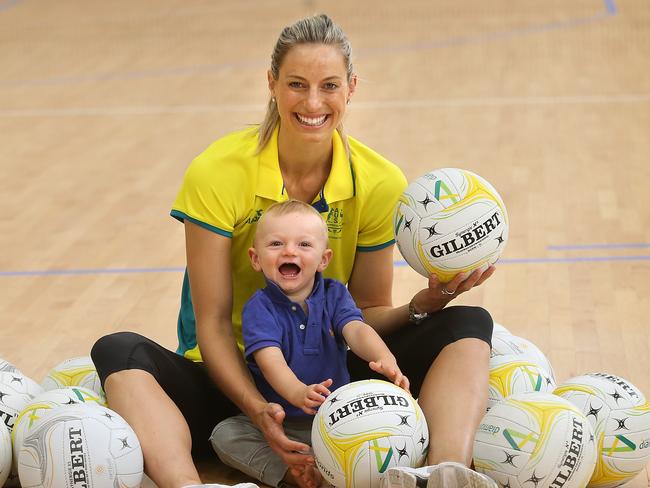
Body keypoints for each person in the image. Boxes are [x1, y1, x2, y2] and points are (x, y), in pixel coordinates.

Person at [90, 13, 497, 488]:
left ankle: (444, 473)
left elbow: (364, 312)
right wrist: (258, 408)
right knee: (117, 350)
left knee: (470, 323)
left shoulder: (380, 181)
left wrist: (421, 307)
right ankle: (186, 484)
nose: (312, 102)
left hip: (325, 384)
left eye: (329, 86)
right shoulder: (218, 171)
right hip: (228, 381)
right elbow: (215, 323)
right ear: (272, 84)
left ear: (351, 88)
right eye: (297, 84)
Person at [211, 200, 410, 488]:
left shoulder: (335, 294)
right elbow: (271, 361)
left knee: (392, 418)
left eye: (304, 245)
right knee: (225, 435)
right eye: (276, 243)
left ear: (323, 259)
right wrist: (297, 392)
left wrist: (385, 357)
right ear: (256, 259)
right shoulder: (259, 308)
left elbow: (356, 330)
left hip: (341, 419)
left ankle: (350, 466)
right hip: (283, 427)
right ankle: (295, 472)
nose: (289, 251)